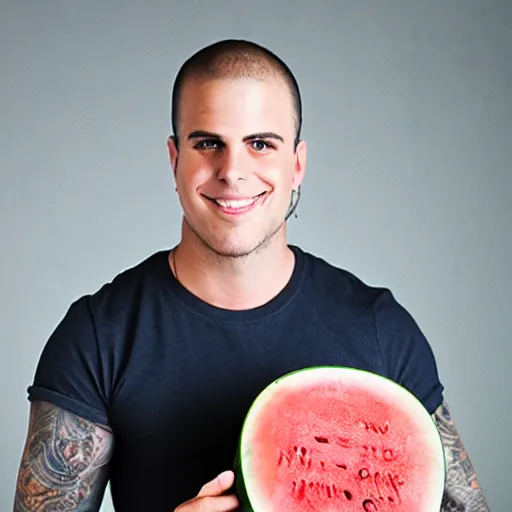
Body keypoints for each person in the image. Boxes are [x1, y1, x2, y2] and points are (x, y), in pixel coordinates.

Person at [13, 39, 489, 512]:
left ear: (297, 164)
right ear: (176, 161)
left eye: (260, 144)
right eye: (207, 143)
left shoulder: (381, 330)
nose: (232, 171)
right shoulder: (99, 336)